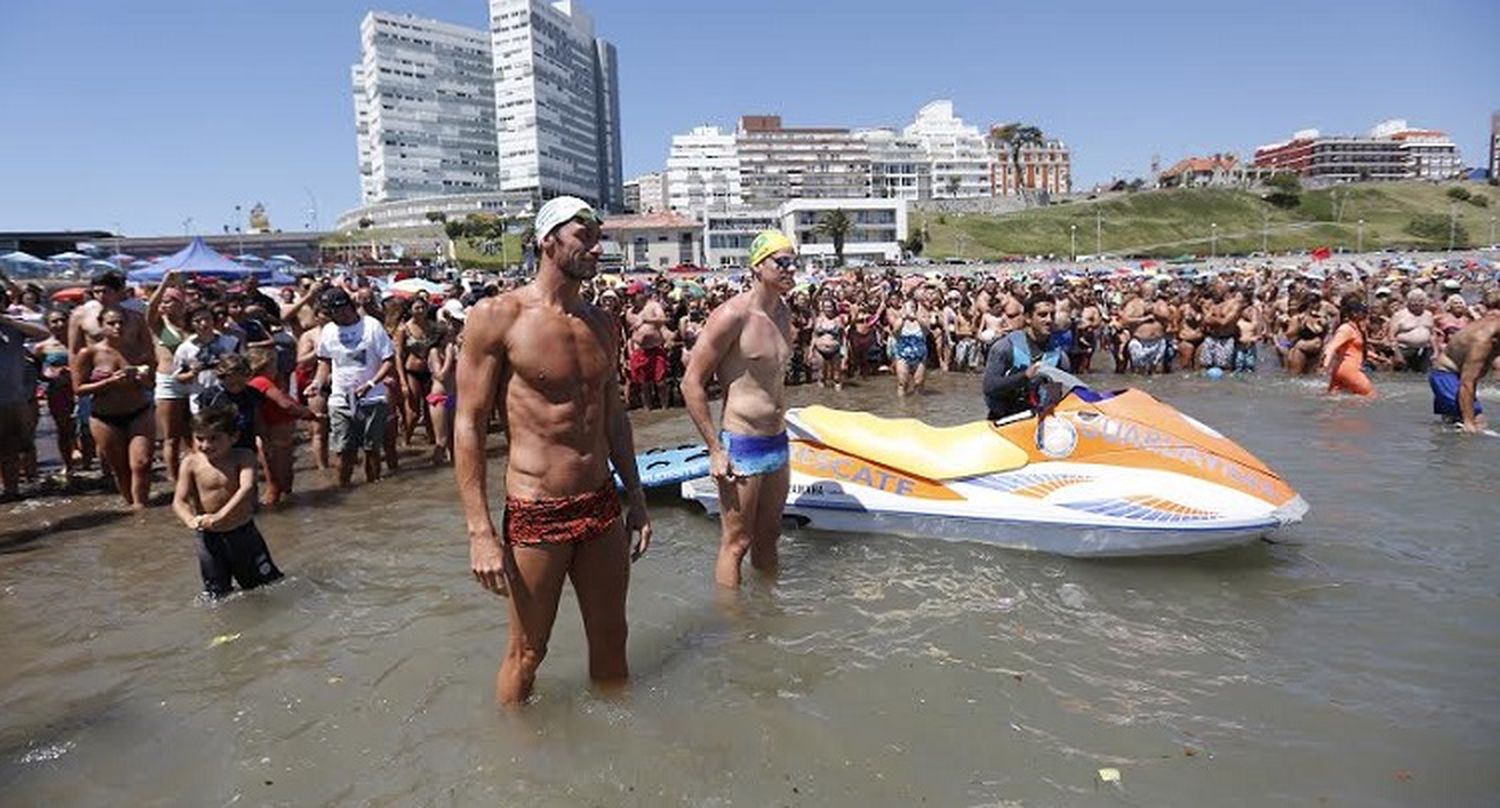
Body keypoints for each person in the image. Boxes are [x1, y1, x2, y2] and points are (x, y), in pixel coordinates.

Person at [455, 196, 651, 706]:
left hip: (601, 503)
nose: (595, 246)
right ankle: (514, 771)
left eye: (596, 235)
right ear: (548, 242)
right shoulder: (498, 316)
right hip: (536, 507)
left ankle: (619, 754)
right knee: (527, 651)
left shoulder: (602, 323)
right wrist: (479, 531)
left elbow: (613, 416)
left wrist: (637, 496)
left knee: (613, 640)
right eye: (582, 235)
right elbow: (468, 425)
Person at [682, 229, 795, 589]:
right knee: (737, 542)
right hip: (742, 443)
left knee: (770, 535)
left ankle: (767, 615)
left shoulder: (783, 312)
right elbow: (691, 383)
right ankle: (734, 629)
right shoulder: (732, 315)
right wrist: (715, 449)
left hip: (777, 440)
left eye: (795, 262)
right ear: (759, 267)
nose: (792, 269)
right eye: (784, 262)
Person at [172, 406, 283, 599]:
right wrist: (190, 520)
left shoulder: (243, 456)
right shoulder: (191, 463)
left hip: (242, 533)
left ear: (234, 437)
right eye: (200, 438)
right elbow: (179, 501)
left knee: (264, 586)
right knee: (216, 593)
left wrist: (220, 516)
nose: (206, 445)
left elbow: (246, 488)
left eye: (214, 438)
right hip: (209, 538)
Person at [308, 287, 395, 487]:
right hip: (340, 399)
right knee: (343, 450)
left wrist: (371, 383)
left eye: (339, 310)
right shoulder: (329, 330)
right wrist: (317, 382)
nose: (337, 315)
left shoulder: (371, 326)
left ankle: (373, 489)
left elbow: (388, 360)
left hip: (373, 397)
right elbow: (324, 362)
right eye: (331, 312)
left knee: (371, 449)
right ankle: (343, 489)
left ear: (349, 306)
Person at [72, 308, 156, 509]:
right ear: (101, 326)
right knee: (120, 468)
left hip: (139, 411)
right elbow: (79, 389)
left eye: (121, 323)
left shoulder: (137, 351)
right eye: (111, 323)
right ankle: (130, 504)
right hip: (105, 417)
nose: (117, 327)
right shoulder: (89, 353)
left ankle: (140, 508)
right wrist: (109, 382)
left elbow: (151, 383)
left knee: (142, 463)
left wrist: (143, 379)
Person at [982, 293, 1068, 421]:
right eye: (1042, 315)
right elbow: (989, 387)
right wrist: (1025, 376)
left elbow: (1056, 396)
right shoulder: (1005, 347)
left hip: (1038, 421)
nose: (1049, 320)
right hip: (1004, 419)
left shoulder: (1059, 356)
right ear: (1028, 318)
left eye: (1052, 315)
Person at [1429, 289, 1500, 433]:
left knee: (1452, 424)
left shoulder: (1493, 326)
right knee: (1476, 422)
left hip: (1453, 376)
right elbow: (1467, 383)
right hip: (1446, 376)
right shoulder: (1482, 340)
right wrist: (1469, 422)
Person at [1, 296, 50, 499]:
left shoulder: (14, 326)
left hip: (12, 398)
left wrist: (8, 320)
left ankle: (12, 491)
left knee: (10, 447)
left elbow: (44, 333)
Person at [625, 283, 672, 410]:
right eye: (630, 296)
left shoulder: (653, 306)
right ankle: (647, 408)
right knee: (644, 383)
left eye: (634, 295)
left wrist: (647, 320)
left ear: (642, 294)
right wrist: (630, 351)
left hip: (656, 348)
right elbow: (629, 333)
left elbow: (663, 319)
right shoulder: (629, 312)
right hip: (639, 350)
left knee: (660, 382)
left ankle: (664, 408)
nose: (631, 298)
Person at [1322, 297, 1374, 396]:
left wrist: (1378, 358)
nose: (1366, 314)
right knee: (1370, 396)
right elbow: (1332, 347)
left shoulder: (1356, 329)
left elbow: (1356, 350)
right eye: (1363, 312)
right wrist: (1325, 363)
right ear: (1354, 313)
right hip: (1349, 370)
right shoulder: (1346, 329)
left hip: (1341, 370)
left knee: (1333, 401)